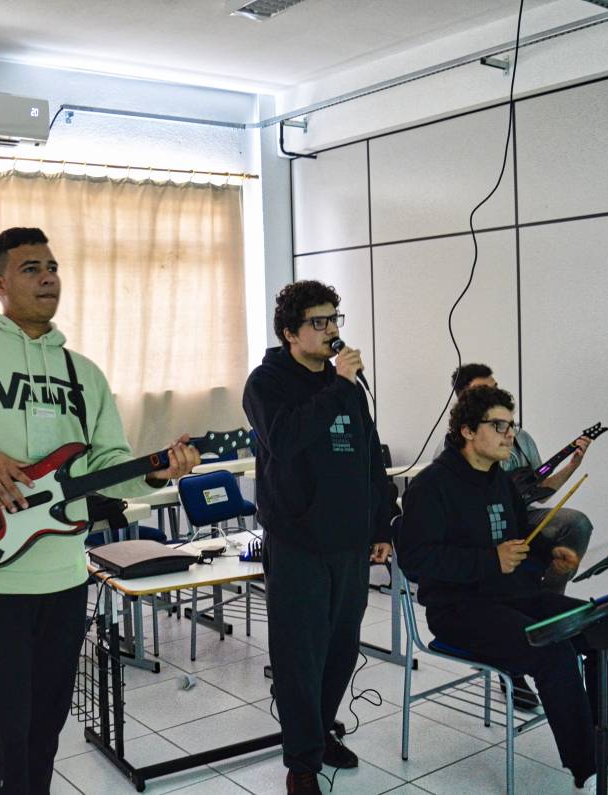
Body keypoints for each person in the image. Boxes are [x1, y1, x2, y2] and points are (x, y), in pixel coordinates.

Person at [0, 226, 199, 794]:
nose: (47, 278)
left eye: (53, 267)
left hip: (65, 578)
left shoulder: (82, 373)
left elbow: (106, 463)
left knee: (44, 728)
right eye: (31, 268)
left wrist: (155, 471)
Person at [397, 386, 608, 793]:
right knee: (552, 650)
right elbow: (415, 561)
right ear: (467, 430)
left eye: (511, 426)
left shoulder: (499, 481)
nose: (510, 436)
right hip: (457, 609)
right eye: (498, 426)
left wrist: (551, 553)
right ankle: (591, 767)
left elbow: (520, 536)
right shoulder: (431, 485)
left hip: (514, 595)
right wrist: (490, 561)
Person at [242, 280, 394, 795]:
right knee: (299, 656)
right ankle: (302, 762)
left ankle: (320, 732)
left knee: (340, 650)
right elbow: (285, 440)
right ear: (290, 332)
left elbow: (370, 456)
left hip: (349, 542)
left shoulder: (343, 386)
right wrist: (340, 388)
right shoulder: (266, 383)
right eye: (319, 322)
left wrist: (382, 523)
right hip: (297, 543)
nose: (331, 330)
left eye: (334, 319)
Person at [450, 363, 595, 593]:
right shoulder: (455, 447)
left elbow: (540, 490)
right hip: (481, 519)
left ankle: (550, 595)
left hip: (521, 513)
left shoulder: (520, 437)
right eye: (484, 391)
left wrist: (572, 465)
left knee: (577, 524)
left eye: (495, 388)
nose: (493, 396)